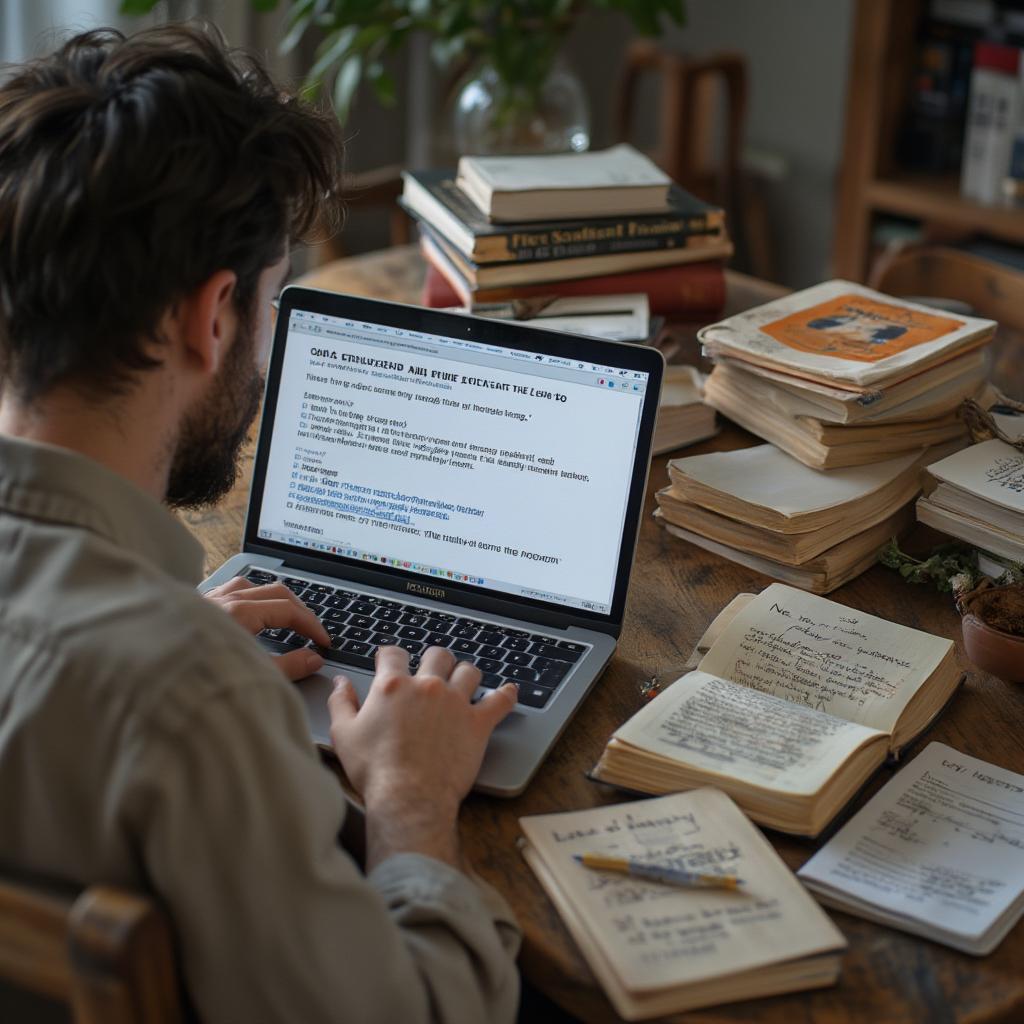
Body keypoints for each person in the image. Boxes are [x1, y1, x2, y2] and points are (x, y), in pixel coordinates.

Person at [0, 22, 523, 1024]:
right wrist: (410, 801)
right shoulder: (190, 701)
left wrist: (168, 622)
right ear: (211, 317)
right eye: (272, 306)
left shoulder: (173, 665)